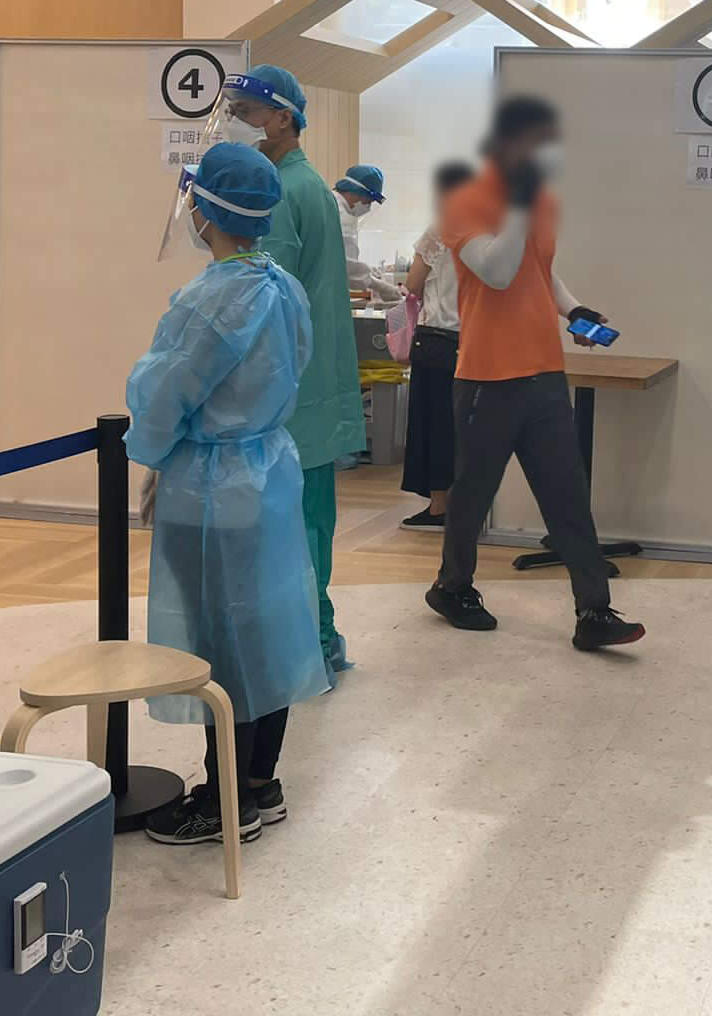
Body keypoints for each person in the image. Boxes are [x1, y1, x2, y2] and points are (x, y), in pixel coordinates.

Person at [128, 143, 329, 845]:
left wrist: (152, 454)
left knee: (221, 643)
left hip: (212, 486)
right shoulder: (282, 287)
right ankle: (260, 783)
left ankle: (224, 801)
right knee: (265, 632)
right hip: (268, 474)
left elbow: (165, 389)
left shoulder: (210, 299)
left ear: (205, 211)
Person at [425, 96, 644, 651]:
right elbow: (497, 271)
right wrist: (520, 205)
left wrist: (574, 311)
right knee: (473, 495)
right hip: (486, 377)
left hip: (544, 372)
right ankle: (452, 587)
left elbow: (539, 270)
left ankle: (593, 611)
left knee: (567, 495)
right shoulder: (464, 203)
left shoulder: (542, 200)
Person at [221, 65, 367, 677]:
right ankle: (320, 634)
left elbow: (263, 295)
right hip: (312, 383)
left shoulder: (281, 193)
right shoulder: (307, 185)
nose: (241, 122)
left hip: (290, 388)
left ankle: (308, 641)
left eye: (250, 112)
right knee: (311, 518)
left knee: (293, 525)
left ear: (284, 117)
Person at [398, 160, 475, 531]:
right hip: (474, 341)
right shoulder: (487, 232)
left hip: (436, 341)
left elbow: (412, 284)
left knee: (433, 424)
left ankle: (439, 507)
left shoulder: (439, 230)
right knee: (464, 425)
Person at [332, 164, 400, 299]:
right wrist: (379, 285)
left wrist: (368, 271)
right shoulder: (341, 216)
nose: (368, 206)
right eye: (369, 200)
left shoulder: (332, 203)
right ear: (356, 191)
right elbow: (347, 268)